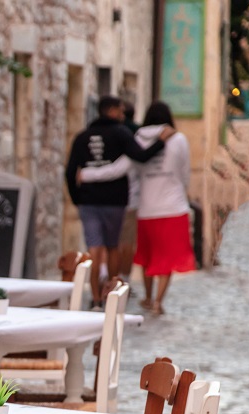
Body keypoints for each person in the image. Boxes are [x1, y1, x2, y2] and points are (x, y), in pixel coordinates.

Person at [79, 101, 194, 315]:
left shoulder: (138, 139)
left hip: (147, 207)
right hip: (174, 206)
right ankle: (159, 301)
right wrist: (181, 191)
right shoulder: (178, 139)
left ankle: (148, 297)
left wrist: (86, 174)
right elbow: (185, 173)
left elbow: (118, 169)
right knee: (166, 258)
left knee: (148, 256)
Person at [65, 96, 172, 308]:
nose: (123, 116)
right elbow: (140, 157)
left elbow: (70, 172)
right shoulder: (121, 134)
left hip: (89, 200)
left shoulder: (82, 137)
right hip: (115, 200)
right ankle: (110, 296)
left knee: (94, 249)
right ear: (113, 111)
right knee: (113, 247)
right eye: (120, 111)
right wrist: (161, 142)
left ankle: (95, 298)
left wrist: (77, 199)